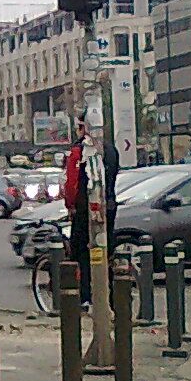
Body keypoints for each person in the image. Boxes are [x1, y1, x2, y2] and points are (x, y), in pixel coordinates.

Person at [63, 131, 120, 305]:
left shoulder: (80, 150)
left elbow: (71, 184)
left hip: (84, 209)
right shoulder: (110, 149)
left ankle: (86, 297)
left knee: (81, 252)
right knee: (105, 251)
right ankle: (110, 294)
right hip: (108, 207)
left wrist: (70, 205)